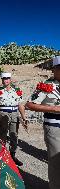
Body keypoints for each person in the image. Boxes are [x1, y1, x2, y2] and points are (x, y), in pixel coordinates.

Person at [26, 56, 60, 189]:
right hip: (54, 127)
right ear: (54, 69)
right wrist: (53, 108)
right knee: (56, 162)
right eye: (59, 67)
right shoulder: (46, 86)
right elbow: (30, 104)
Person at [0, 72, 27, 166]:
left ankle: (12, 155)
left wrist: (24, 117)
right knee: (2, 135)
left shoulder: (16, 90)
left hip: (14, 113)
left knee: (14, 135)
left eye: (7, 79)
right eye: (4, 79)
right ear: (2, 80)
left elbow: (20, 104)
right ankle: (1, 156)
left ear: (10, 80)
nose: (6, 81)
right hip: (3, 113)